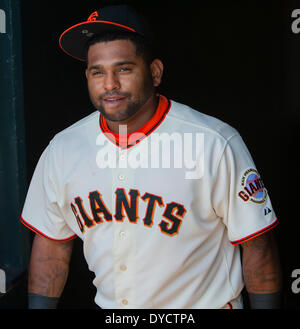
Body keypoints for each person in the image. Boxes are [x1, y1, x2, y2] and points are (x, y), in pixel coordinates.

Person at [21, 4, 281, 309]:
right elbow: (52, 247)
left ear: (154, 72)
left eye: (124, 69)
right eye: (97, 72)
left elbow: (257, 245)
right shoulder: (63, 148)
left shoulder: (213, 142)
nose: (109, 85)